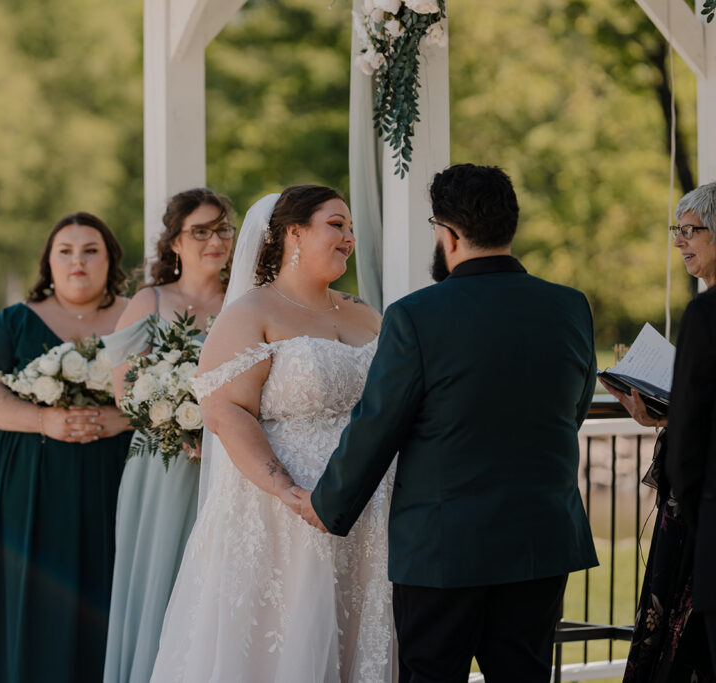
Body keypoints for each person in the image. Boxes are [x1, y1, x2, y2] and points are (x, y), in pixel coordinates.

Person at [297, 164, 598, 683]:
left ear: (449, 234)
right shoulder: (570, 307)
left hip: (443, 549)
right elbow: (573, 409)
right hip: (540, 540)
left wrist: (327, 504)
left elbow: (378, 425)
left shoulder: (416, 315)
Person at [150, 185, 393, 682]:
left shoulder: (366, 314)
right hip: (284, 509)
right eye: (336, 224)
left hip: (369, 507)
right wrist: (285, 489)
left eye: (350, 228)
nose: (349, 238)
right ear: (293, 232)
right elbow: (225, 412)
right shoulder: (251, 313)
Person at [0, 212, 133, 683]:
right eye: (65, 251)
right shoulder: (16, 321)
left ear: (110, 259)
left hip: (113, 482)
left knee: (107, 594)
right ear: (48, 262)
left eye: (91, 250)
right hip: (28, 488)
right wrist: (42, 420)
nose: (78, 261)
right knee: (31, 598)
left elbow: (170, 392)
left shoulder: (137, 318)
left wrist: (120, 418)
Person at [101, 188, 234, 683]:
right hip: (163, 466)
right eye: (200, 231)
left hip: (231, 462)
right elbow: (125, 392)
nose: (215, 241)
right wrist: (178, 424)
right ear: (175, 242)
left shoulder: (244, 302)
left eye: (223, 229)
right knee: (161, 576)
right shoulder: (150, 302)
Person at [611, 182, 716, 682]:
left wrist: (665, 421)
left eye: (690, 230)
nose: (679, 241)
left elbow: (691, 445)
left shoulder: (705, 314)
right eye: (678, 230)